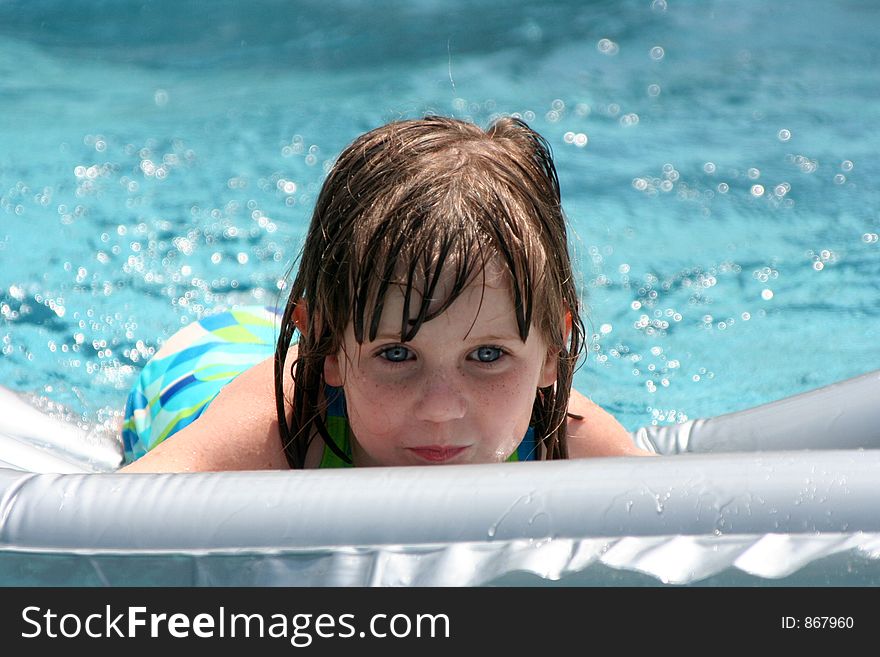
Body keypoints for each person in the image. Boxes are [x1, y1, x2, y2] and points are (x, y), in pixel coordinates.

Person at [120, 115, 650, 473]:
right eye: (397, 354)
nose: (441, 410)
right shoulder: (278, 429)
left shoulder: (569, 444)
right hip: (202, 364)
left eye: (488, 355)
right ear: (325, 345)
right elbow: (112, 509)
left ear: (552, 352)